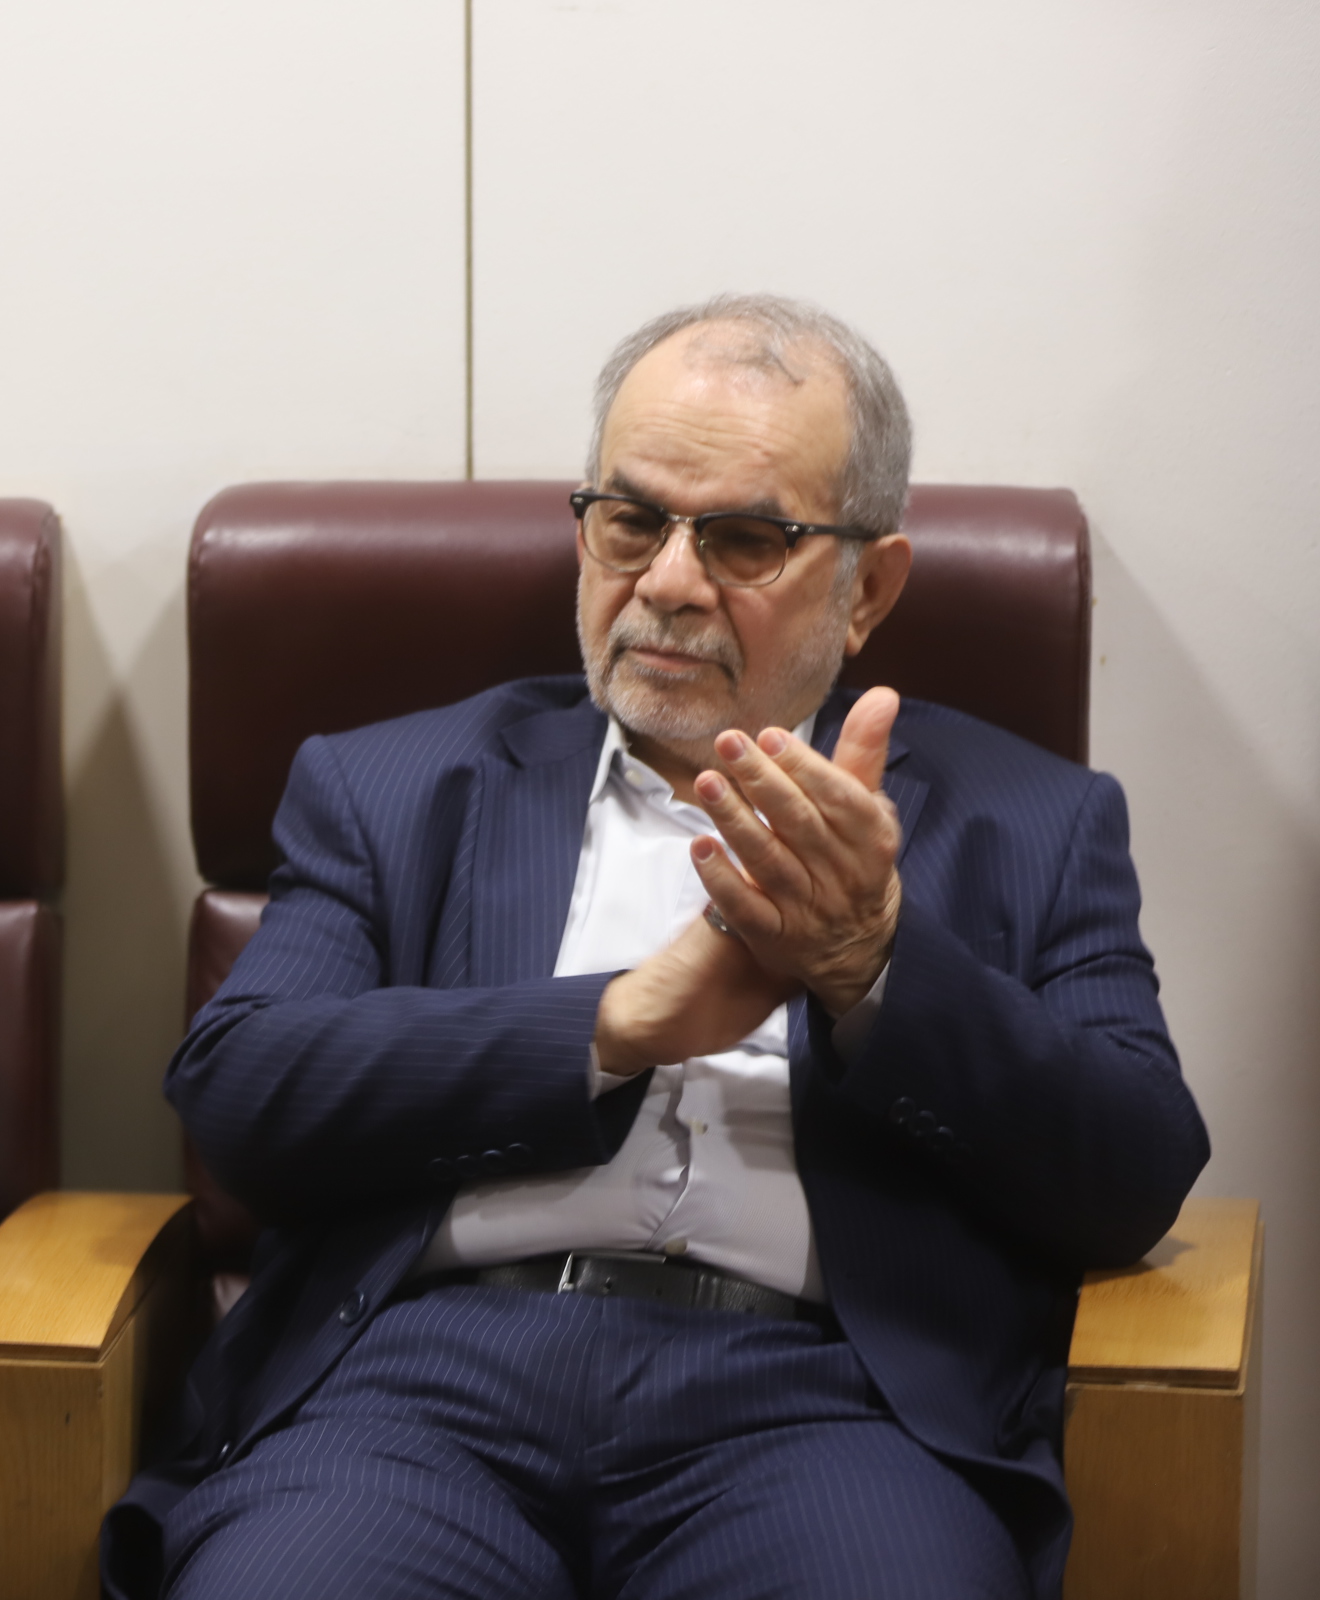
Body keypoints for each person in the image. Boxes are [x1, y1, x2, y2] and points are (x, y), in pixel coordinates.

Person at [106, 294, 1208, 1600]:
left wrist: (873, 964)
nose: (670, 583)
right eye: (631, 521)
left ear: (869, 587)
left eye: (745, 539)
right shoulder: (395, 787)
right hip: (415, 1385)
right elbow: (239, 1094)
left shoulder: (1030, 821)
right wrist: (616, 1023)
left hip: (824, 1408)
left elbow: (1133, 1169)